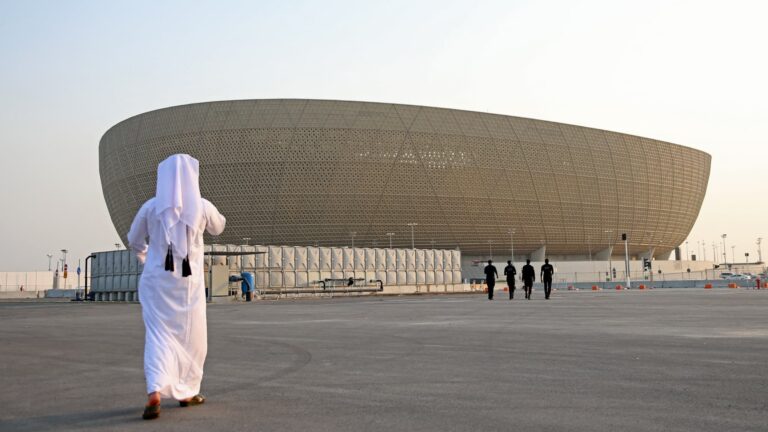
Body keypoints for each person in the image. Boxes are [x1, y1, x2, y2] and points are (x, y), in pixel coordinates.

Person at [127, 154, 226, 420]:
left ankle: (154, 392)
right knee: (193, 338)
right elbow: (219, 227)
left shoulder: (151, 207)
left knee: (159, 337)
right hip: (188, 286)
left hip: (157, 283)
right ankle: (187, 392)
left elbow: (134, 239)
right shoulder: (202, 207)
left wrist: (146, 258)